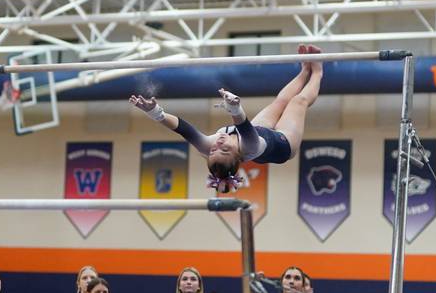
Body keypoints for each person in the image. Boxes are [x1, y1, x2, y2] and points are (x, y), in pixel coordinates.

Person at [130, 44, 324, 193]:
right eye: (225, 149)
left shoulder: (209, 146)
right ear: (238, 154)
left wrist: (156, 112)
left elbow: (183, 129)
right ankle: (317, 71)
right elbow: (244, 126)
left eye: (214, 149)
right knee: (298, 101)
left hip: (258, 131)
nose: (219, 143)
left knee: (280, 102)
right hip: (283, 145)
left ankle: (304, 70)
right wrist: (234, 108)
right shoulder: (250, 146)